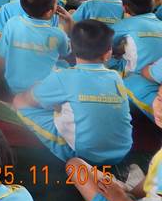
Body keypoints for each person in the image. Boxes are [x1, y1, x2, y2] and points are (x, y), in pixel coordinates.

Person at [13, 19, 132, 164]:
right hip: (123, 151)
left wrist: (34, 90)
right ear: (107, 54)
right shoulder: (116, 77)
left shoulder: (63, 77)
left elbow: (29, 99)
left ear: (72, 49)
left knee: (20, 101)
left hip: (85, 155)